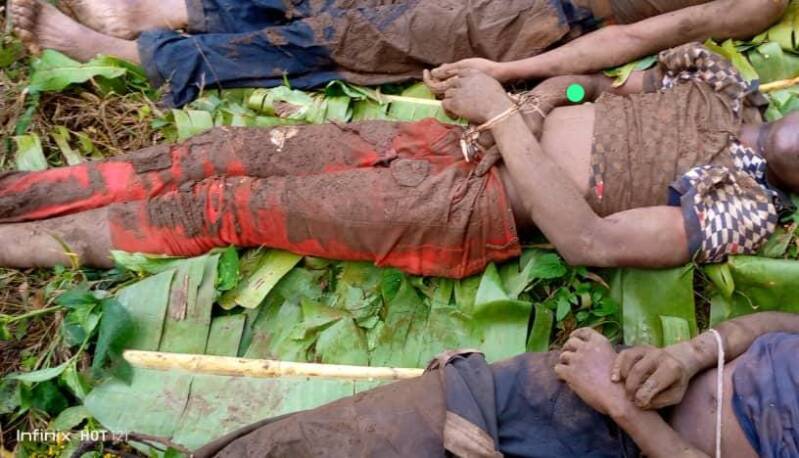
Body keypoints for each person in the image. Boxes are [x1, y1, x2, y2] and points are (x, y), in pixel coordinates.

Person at [0, 43, 795, 276]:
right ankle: (19, 193)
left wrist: (503, 118)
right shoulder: (723, 81)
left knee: (225, 207)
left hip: (465, 206)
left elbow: (590, 243)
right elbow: (600, 86)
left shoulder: (746, 204)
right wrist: (547, 97)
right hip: (457, 138)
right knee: (223, 152)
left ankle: (21, 243)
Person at [191, 311, 799, 457]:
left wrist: (622, 408)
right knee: (331, 440)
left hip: (622, 430)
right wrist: (688, 356)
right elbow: (776, 323)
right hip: (575, 399)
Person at [8, 0, 788, 106]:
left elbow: (629, 40)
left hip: (528, 15)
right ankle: (162, 11)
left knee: (343, 36)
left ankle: (122, 49)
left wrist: (506, 73)